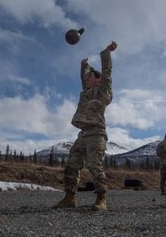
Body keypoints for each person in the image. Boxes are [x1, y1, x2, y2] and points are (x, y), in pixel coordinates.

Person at [53, 41, 118, 211]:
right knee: (71, 165)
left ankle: (101, 199)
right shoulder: (86, 93)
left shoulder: (103, 90)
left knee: (94, 165)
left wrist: (107, 52)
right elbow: (84, 76)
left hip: (96, 133)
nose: (86, 79)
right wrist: (85, 65)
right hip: (83, 134)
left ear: (98, 79)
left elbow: (107, 72)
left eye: (90, 76)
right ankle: (69, 197)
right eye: (86, 77)